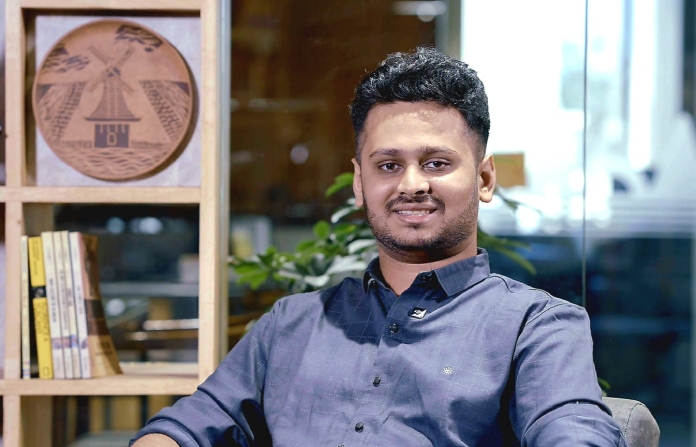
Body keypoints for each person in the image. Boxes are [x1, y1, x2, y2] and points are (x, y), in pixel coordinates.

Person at [131, 47, 627, 447]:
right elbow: (188, 426)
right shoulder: (291, 324)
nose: (411, 185)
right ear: (358, 182)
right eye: (388, 165)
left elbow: (573, 430)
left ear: (483, 178)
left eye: (436, 163)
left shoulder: (535, 327)